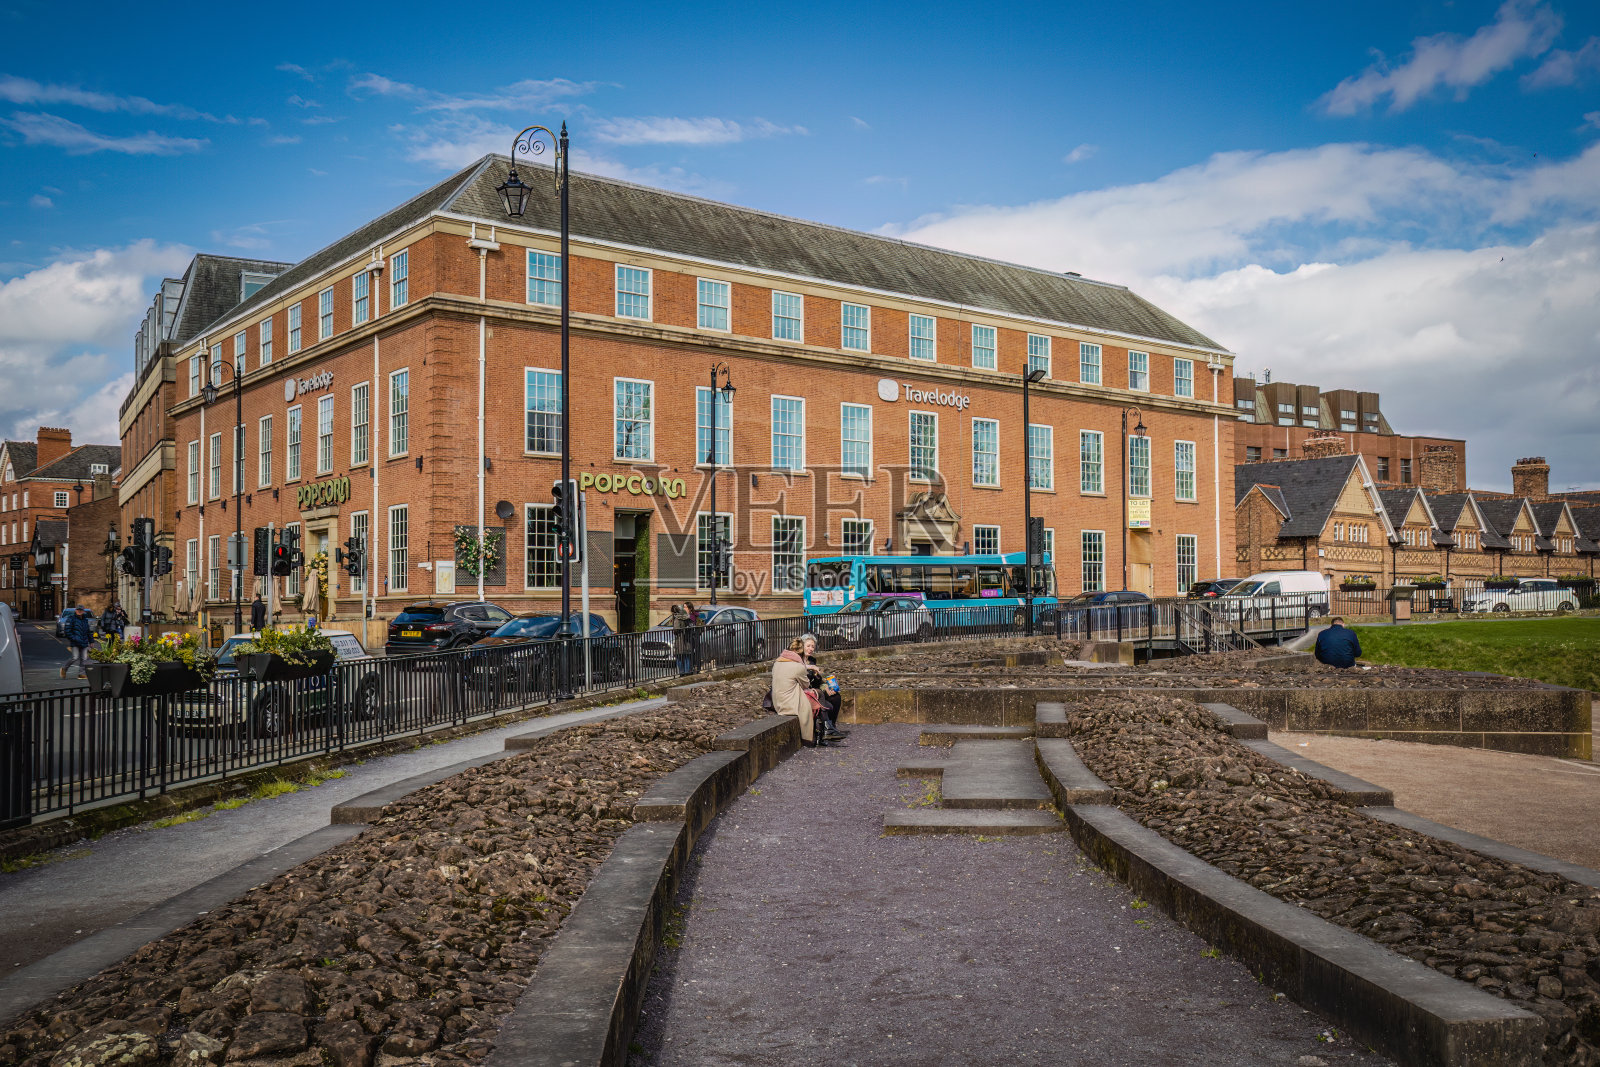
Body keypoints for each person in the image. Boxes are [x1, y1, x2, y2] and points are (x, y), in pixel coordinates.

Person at [771, 637, 821, 746]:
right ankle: (816, 734)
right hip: (790, 704)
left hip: (777, 702)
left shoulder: (777, 663)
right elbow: (806, 684)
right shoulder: (798, 666)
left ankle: (823, 730)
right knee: (817, 694)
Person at [802, 633, 847, 741]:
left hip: (817, 690)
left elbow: (818, 680)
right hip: (806, 692)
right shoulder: (798, 660)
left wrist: (827, 687)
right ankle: (827, 728)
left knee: (835, 697)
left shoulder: (812, 660)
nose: (811, 648)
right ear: (802, 646)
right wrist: (810, 667)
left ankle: (831, 727)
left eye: (813, 646)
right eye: (808, 646)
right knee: (822, 697)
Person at [60, 605, 95, 680]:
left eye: (81, 610)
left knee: (84, 659)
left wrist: (91, 641)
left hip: (84, 642)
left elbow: (88, 632)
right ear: (76, 610)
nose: (79, 611)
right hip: (75, 642)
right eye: (78, 610)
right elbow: (67, 631)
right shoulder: (71, 619)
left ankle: (81, 674)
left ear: (83, 611)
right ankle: (64, 669)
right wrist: (74, 638)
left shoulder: (85, 620)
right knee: (75, 657)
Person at [670, 604, 692, 675]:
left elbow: (676, 629)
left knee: (679, 656)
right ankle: (687, 672)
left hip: (680, 639)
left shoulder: (677, 619)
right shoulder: (687, 617)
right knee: (687, 656)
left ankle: (682, 672)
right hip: (687, 639)